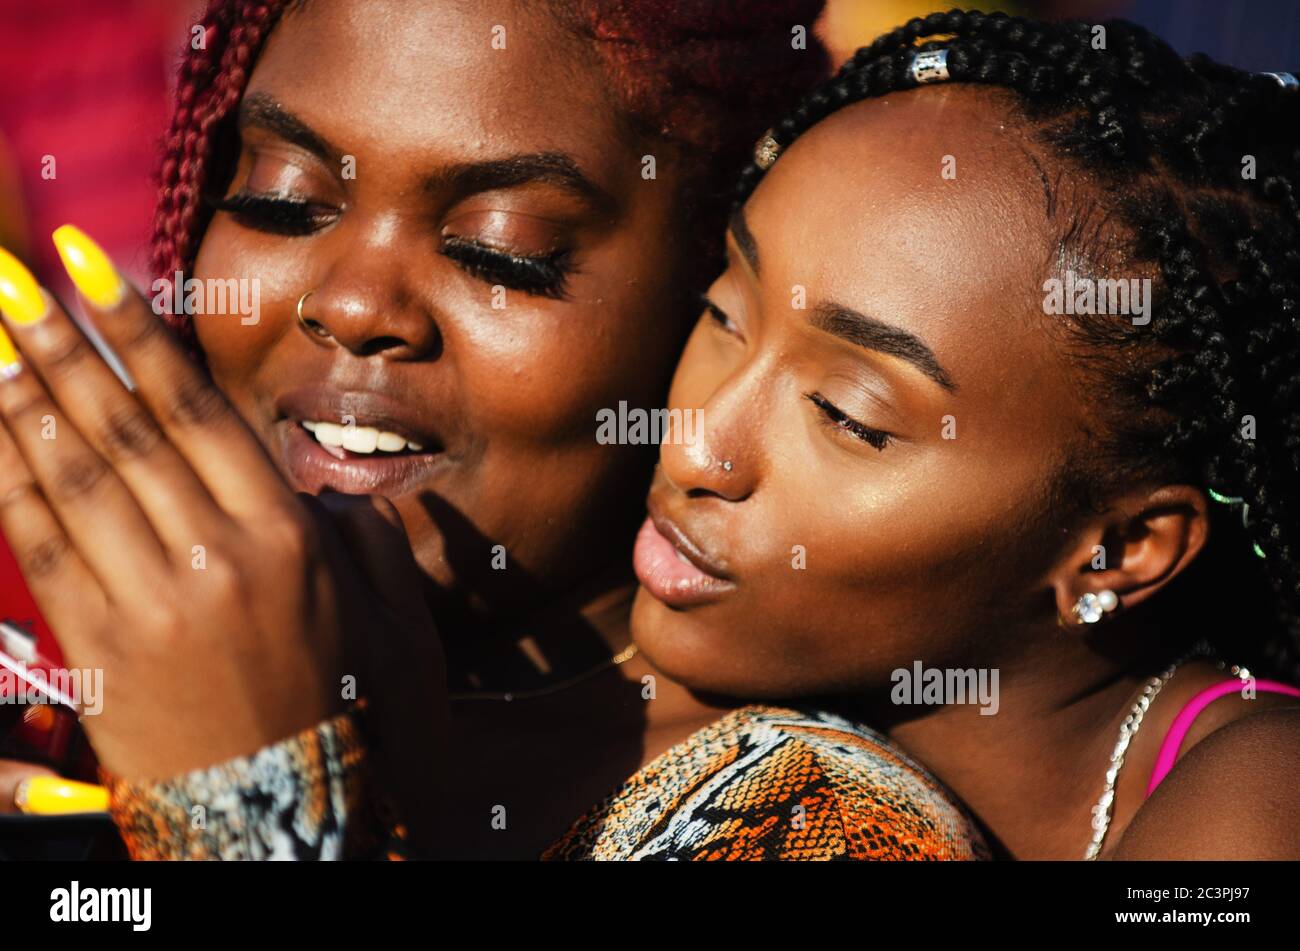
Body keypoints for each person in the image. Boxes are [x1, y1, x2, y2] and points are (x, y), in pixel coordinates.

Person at [0, 0, 987, 860]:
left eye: (500, 251)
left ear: (709, 297)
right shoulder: (80, 700)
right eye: (282, 200)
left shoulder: (813, 820)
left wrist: (248, 809)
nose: (354, 306)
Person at [629, 11, 1300, 859]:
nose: (694, 446)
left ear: (1118, 550)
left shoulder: (1264, 797)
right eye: (726, 312)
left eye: (847, 414)